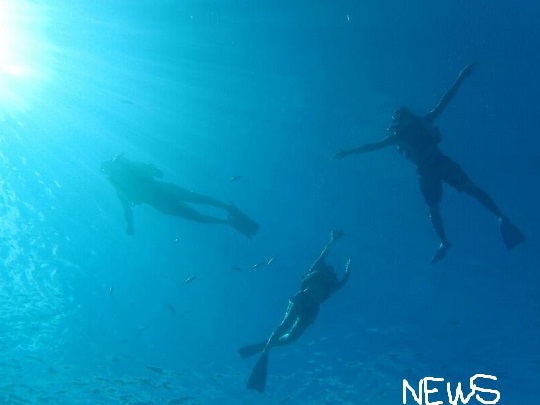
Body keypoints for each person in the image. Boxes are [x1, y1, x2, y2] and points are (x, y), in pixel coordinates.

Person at [333, 64, 525, 263]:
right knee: (469, 191)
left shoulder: (398, 136)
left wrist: (348, 152)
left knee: (435, 208)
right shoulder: (419, 123)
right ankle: (498, 216)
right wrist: (461, 76)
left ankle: (446, 241)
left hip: (428, 171)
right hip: (438, 164)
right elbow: (445, 100)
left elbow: (371, 146)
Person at [238, 230, 350, 393]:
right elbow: (323, 255)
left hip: (311, 310)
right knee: (285, 325)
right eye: (330, 270)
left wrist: (348, 270)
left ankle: (266, 346)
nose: (331, 271)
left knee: (292, 338)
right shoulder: (317, 269)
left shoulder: (330, 286)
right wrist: (332, 241)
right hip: (302, 299)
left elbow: (342, 283)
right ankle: (267, 347)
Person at [101, 154, 259, 238]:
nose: (112, 171)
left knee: (197, 201)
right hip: (162, 200)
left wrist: (154, 171)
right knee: (196, 210)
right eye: (109, 170)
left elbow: (141, 168)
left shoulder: (123, 172)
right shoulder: (119, 186)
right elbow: (126, 209)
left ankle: (228, 212)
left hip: (163, 195)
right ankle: (227, 218)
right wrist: (129, 224)